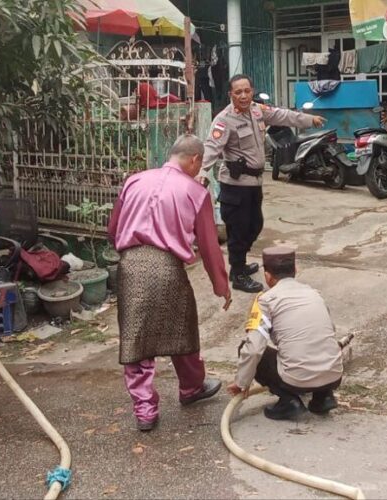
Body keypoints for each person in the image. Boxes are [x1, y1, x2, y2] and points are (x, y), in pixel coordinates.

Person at [108, 134, 232, 431]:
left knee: (136, 340)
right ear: (195, 160)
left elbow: (113, 229)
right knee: (183, 329)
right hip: (167, 267)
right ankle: (191, 388)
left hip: (130, 265)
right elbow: (208, 245)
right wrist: (221, 285)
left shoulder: (134, 181)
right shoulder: (196, 192)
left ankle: (145, 410)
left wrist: (128, 250)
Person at [199, 74, 327, 294]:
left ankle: (239, 263)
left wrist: (308, 120)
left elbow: (283, 116)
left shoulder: (258, 110)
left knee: (255, 225)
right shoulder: (224, 119)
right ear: (231, 94)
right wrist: (202, 172)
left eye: (246, 91)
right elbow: (212, 146)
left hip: (254, 183)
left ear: (252, 91)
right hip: (234, 185)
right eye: (238, 92)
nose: (243, 95)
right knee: (238, 230)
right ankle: (238, 274)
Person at [227, 247, 344, 420]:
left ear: (267, 276)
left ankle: (289, 402)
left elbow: (253, 349)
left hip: (295, 380)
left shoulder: (265, 300)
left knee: (246, 347)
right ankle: (323, 396)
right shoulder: (314, 294)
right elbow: (329, 332)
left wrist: (241, 382)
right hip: (335, 376)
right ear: (295, 270)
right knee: (317, 342)